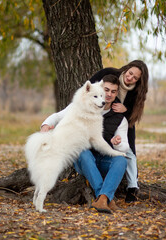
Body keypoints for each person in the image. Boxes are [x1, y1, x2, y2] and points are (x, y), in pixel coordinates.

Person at [41, 74, 129, 213]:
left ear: (117, 93)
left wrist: (117, 143)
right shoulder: (79, 106)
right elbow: (58, 116)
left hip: (104, 159)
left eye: (113, 91)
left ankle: (102, 199)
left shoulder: (120, 119)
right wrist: (46, 124)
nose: (108, 94)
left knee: (122, 161)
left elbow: (125, 147)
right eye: (106, 89)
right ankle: (105, 198)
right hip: (84, 160)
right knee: (83, 151)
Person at [89, 60, 149, 203]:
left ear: (139, 80)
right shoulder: (108, 74)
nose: (130, 78)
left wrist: (125, 110)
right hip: (101, 115)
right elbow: (88, 88)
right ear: (127, 69)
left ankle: (132, 188)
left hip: (125, 121)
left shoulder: (137, 92)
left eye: (135, 78)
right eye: (130, 74)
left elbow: (135, 114)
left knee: (129, 152)